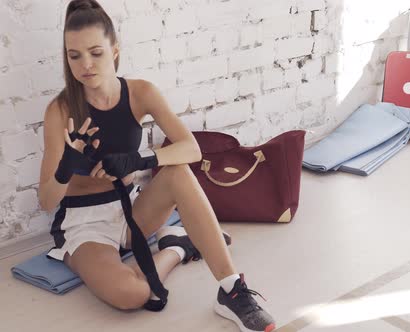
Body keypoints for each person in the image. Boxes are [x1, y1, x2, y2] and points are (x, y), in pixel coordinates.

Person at [38, 1, 276, 331]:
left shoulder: (140, 92)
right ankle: (177, 246)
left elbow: (189, 149)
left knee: (178, 173)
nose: (85, 64)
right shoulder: (60, 110)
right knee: (132, 294)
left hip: (132, 209)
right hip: (85, 224)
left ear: (115, 50)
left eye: (95, 52)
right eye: (74, 55)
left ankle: (231, 291)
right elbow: (47, 201)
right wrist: (66, 167)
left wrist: (141, 160)